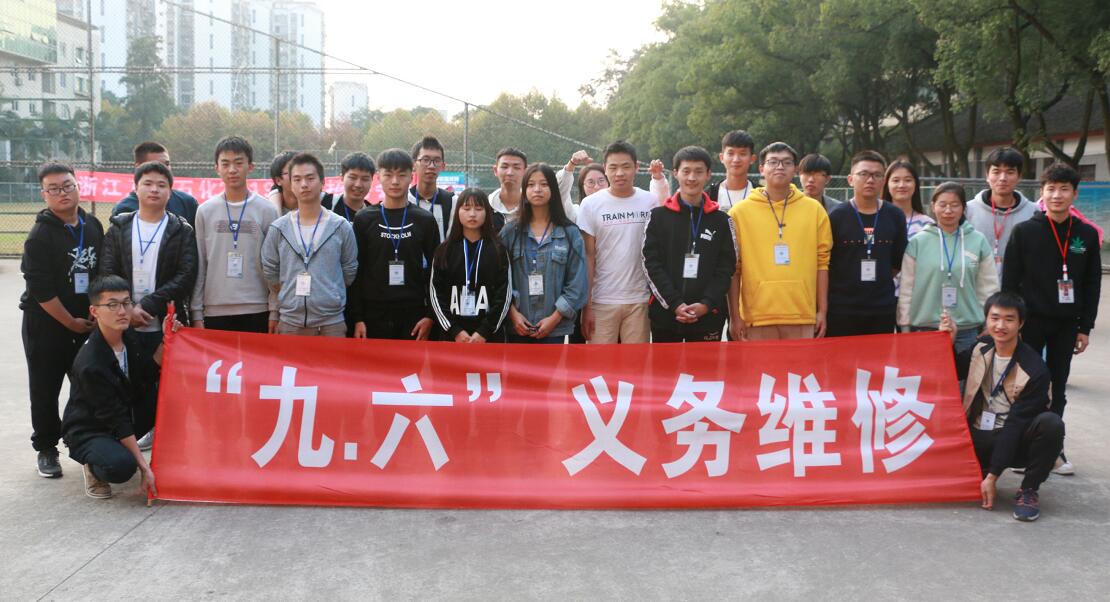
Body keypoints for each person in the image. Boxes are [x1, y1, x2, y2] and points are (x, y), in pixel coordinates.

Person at [1002, 162, 1101, 476]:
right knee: (1024, 385)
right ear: (1042, 193)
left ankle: (1053, 449)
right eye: (1051, 189)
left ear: (1074, 194)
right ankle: (1021, 448)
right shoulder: (1024, 231)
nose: (1057, 195)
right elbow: (1009, 282)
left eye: (1064, 189)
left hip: (1066, 324)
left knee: (1058, 385)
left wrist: (1085, 327)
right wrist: (1011, 325)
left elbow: (1092, 284)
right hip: (1029, 323)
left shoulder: (1086, 234)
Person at [99, 161, 198, 451]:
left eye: (161, 185)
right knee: (128, 379)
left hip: (164, 321)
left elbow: (186, 275)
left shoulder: (181, 229)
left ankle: (162, 435)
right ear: (136, 188)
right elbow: (107, 271)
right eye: (148, 183)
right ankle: (127, 435)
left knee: (165, 381)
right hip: (124, 321)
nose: (154, 189)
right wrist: (128, 308)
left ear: (170, 191)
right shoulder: (119, 226)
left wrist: (151, 305)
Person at [941, 292, 1065, 522]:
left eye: (1009, 319)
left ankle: (1028, 490)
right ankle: (977, 468)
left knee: (1051, 424)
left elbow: (1016, 425)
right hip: (976, 434)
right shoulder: (981, 348)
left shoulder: (1034, 368)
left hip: (1014, 440)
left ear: (1021, 323)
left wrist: (993, 476)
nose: (1000, 326)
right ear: (986, 319)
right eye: (995, 318)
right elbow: (951, 370)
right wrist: (948, 340)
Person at [21, 160, 105, 478]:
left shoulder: (92, 225)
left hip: (86, 322)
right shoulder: (40, 236)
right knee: (45, 387)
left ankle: (86, 441)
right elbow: (40, 290)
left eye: (67, 185)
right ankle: (46, 448)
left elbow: (100, 273)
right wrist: (69, 322)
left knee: (88, 384)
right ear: (43, 194)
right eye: (54, 189)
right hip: (46, 324)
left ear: (78, 186)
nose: (62, 193)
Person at [60, 276, 167, 499]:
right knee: (122, 467)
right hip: (90, 430)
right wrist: (144, 467)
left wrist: (169, 339)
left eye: (126, 303)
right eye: (112, 305)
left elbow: (147, 374)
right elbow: (115, 417)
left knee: (167, 398)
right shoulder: (90, 363)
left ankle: (118, 449)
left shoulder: (128, 337)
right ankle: (92, 463)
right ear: (94, 311)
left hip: (122, 414)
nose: (122, 311)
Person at [727, 142, 832, 341]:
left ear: (795, 169)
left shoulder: (815, 210)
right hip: (756, 318)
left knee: (801, 364)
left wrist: (822, 311)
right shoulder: (739, 213)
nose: (780, 167)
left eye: (786, 162)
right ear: (761, 169)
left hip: (802, 315)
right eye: (773, 162)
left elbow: (822, 263)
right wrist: (734, 316)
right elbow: (734, 268)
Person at [642, 146, 736, 342]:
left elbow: (726, 268)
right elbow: (651, 264)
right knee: (665, 363)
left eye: (698, 171)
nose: (692, 177)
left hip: (708, 315)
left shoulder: (722, 220)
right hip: (666, 314)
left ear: (708, 175)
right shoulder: (658, 217)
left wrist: (706, 304)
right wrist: (675, 303)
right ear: (676, 173)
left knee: (705, 364)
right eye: (686, 171)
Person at [262, 153, 358, 337]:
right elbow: (270, 269)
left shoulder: (340, 226)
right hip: (290, 322)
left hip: (332, 323)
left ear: (322, 182)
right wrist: (289, 293)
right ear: (290, 184)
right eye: (297, 179)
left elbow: (349, 269)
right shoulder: (279, 228)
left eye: (310, 178)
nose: (304, 184)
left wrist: (329, 292)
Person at [190, 136, 280, 333]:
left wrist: (274, 309)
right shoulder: (205, 211)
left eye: (238, 163)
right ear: (217, 168)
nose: (232, 170)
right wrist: (196, 312)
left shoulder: (266, 210)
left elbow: (274, 265)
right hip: (214, 309)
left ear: (250, 166)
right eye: (225, 164)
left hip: (258, 308)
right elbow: (200, 263)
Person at [350, 148, 440, 340]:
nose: (395, 181)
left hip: (414, 314)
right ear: (378, 177)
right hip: (373, 314)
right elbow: (356, 271)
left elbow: (436, 271)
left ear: (412, 177)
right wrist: (357, 317)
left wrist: (430, 316)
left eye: (401, 175)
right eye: (388, 175)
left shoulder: (425, 220)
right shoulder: (364, 219)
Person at [897, 183, 998, 353]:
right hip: (925, 327)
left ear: (963, 208)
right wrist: (905, 326)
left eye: (955, 205)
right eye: (942, 205)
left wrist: (990, 321)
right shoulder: (917, 242)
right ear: (933, 206)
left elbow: (988, 287)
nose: (948, 210)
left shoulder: (978, 241)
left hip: (968, 328)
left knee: (966, 370)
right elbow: (907, 288)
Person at [500, 164, 588, 343]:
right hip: (517, 328)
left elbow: (577, 282)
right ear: (524, 190)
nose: (537, 189)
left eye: (544, 184)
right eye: (531, 184)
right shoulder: (510, 233)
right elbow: (498, 280)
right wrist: (512, 314)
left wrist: (555, 318)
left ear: (553, 189)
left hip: (554, 330)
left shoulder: (570, 233)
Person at [826, 150, 908, 336]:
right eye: (863, 174)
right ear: (850, 179)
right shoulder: (836, 216)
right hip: (842, 309)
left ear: (883, 181)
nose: (870, 180)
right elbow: (827, 263)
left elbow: (897, 261)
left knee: (880, 355)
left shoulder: (895, 215)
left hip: (881, 308)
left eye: (876, 175)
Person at [430, 188, 512, 342]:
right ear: (457, 212)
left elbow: (504, 295)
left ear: (487, 213)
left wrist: (484, 332)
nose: (472, 214)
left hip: (489, 338)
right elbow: (435, 294)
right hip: (452, 338)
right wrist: (454, 330)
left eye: (479, 209)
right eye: (466, 208)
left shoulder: (498, 250)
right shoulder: (444, 251)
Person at [965, 147, 1037, 275]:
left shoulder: (1034, 212)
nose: (1003, 178)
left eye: (1010, 172)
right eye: (996, 172)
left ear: (1019, 176)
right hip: (976, 283)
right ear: (987, 175)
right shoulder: (967, 210)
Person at [111, 141, 199, 227]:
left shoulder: (187, 203)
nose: (165, 169)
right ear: (138, 167)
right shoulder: (124, 209)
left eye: (167, 164)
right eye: (157, 165)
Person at [568, 164, 609, 344]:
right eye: (590, 182)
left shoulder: (618, 212)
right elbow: (561, 194)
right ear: (582, 187)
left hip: (609, 289)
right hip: (580, 287)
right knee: (579, 340)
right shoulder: (576, 212)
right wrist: (570, 167)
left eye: (601, 181)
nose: (596, 187)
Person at [487, 147, 578, 224]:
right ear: (495, 170)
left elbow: (559, 187)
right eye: (504, 167)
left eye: (516, 167)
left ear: (525, 171)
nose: (510, 172)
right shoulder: (486, 207)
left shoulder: (538, 202)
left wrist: (572, 164)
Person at [410, 136, 458, 240]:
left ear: (443, 166)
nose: (431, 166)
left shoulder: (452, 201)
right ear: (413, 165)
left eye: (437, 160)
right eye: (425, 160)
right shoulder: (405, 199)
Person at [882, 160, 933, 239]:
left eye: (908, 180)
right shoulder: (875, 220)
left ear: (915, 184)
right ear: (887, 185)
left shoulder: (927, 224)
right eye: (896, 180)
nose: (902, 185)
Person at [332, 152, 376, 224]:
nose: (358, 185)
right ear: (342, 177)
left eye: (365, 179)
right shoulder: (327, 204)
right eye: (353, 177)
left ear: (372, 180)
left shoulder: (374, 215)